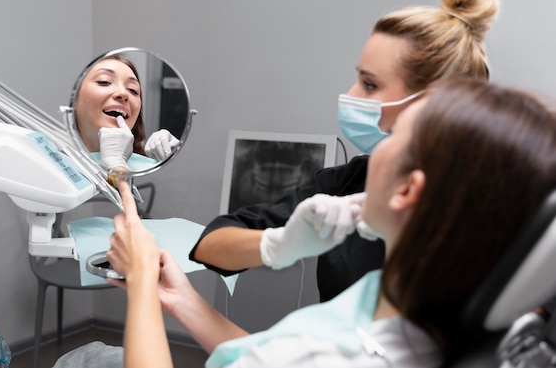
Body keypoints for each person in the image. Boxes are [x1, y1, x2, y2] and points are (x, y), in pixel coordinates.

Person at [53, 78, 556, 367]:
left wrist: (141, 287)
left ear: (407, 191)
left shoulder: (328, 351)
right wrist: (179, 299)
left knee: (82, 358)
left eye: (396, 134)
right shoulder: (421, 314)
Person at [189, 0, 501, 302]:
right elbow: (213, 243)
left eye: (369, 84)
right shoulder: (349, 184)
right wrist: (281, 243)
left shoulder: (498, 207)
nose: (350, 95)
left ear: (432, 104)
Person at [73, 54, 180, 171]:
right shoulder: (56, 164)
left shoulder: (146, 168)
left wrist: (170, 160)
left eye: (132, 90)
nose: (123, 93)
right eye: (104, 81)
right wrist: (116, 165)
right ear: (75, 100)